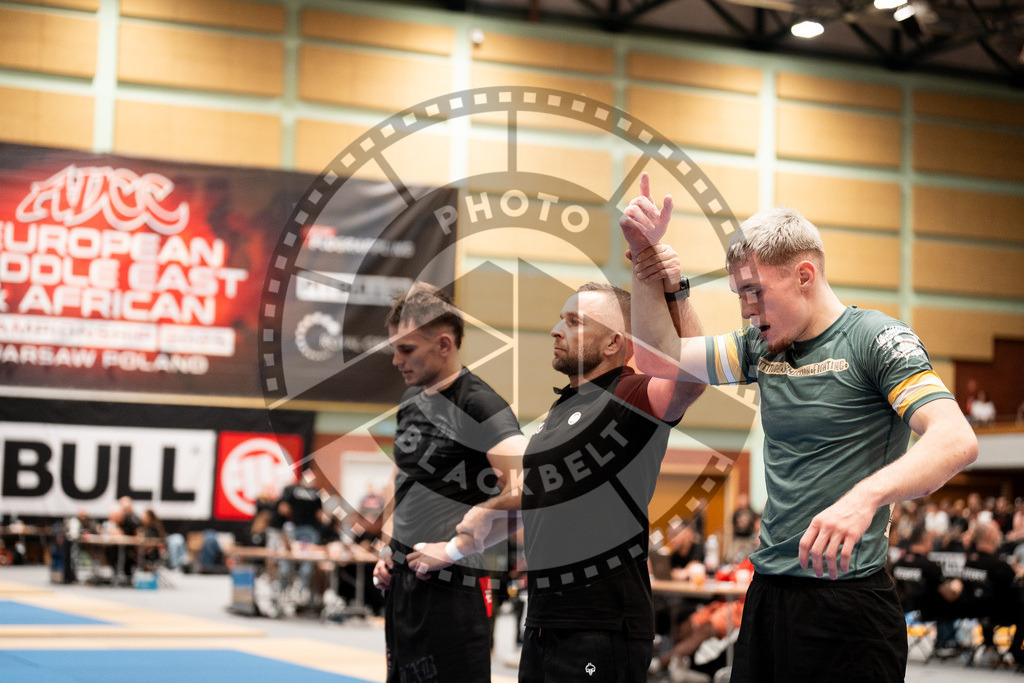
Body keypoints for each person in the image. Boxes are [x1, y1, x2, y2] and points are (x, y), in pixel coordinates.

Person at [620, 174, 979, 681]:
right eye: (738, 294)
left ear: (804, 276)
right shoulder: (761, 345)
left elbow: (955, 439)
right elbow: (661, 359)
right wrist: (643, 261)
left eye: (754, 292)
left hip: (848, 606)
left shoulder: (875, 339)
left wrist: (864, 498)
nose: (746, 308)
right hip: (769, 595)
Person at [407, 276, 706, 682]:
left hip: (602, 624)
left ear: (613, 343)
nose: (556, 329)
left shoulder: (629, 395)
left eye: (574, 321)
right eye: (560, 319)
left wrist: (674, 292)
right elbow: (536, 497)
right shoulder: (560, 411)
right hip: (546, 620)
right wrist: (455, 549)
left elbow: (692, 378)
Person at [372, 282, 528, 683]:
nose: (395, 360)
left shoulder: (481, 405)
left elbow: (532, 488)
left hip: (455, 589)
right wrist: (389, 547)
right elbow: (402, 478)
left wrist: (457, 549)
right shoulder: (411, 401)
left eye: (406, 349)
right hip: (404, 586)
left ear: (444, 344)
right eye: (394, 348)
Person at [891, 523, 963, 657]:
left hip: (901, 608)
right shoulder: (930, 566)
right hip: (927, 610)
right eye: (931, 540)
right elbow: (947, 594)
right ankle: (946, 643)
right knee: (950, 603)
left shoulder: (899, 563)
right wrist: (957, 587)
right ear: (925, 541)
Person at [959, 520, 1024, 667]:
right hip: (998, 612)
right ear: (989, 536)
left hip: (973, 610)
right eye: (997, 531)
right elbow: (1013, 594)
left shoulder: (969, 562)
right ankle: (1016, 651)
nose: (1000, 534)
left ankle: (990, 645)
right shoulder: (1000, 565)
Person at [277, 473, 323, 606]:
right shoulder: (316, 493)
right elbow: (319, 515)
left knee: (288, 556)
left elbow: (283, 509)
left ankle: (283, 589)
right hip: (311, 530)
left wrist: (294, 515)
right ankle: (303, 590)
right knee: (307, 560)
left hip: (296, 528)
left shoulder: (294, 491)